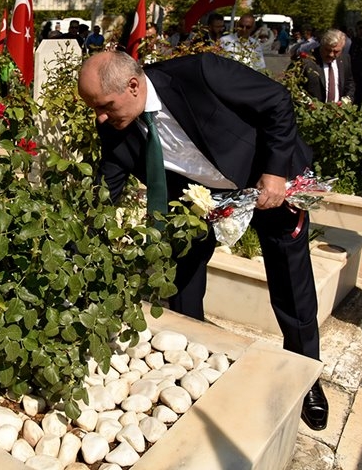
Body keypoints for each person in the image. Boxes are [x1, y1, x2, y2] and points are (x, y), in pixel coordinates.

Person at [77, 50, 328, 431]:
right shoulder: (115, 122)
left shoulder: (200, 73)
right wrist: (84, 246)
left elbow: (276, 101)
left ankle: (306, 373)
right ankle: (191, 356)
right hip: (199, 199)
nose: (100, 116)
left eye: (105, 105)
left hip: (266, 183)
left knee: (290, 283)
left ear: (132, 85)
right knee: (183, 275)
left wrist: (275, 173)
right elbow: (108, 186)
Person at [298, 28, 355, 103]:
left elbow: (349, 83)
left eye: (336, 51)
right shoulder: (306, 61)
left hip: (338, 111)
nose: (331, 55)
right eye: (327, 50)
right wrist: (307, 102)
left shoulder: (345, 59)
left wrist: (346, 100)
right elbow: (295, 88)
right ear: (321, 45)